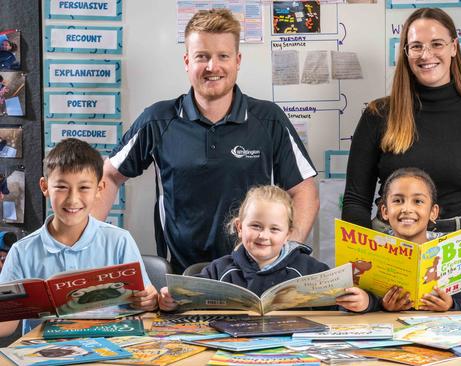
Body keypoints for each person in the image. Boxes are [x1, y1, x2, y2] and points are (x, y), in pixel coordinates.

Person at [92, 9, 319, 274]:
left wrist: (287, 252)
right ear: (187, 61)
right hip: (179, 278)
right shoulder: (158, 120)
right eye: (202, 57)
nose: (213, 67)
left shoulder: (269, 120)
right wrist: (87, 243)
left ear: (237, 60)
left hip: (254, 275)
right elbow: (108, 176)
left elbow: (305, 190)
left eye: (223, 56)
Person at [342, 7, 461, 243]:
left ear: (453, 47)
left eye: (437, 44)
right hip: (391, 242)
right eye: (417, 46)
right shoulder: (377, 115)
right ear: (406, 53)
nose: (426, 54)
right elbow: (356, 200)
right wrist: (363, 249)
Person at [0, 138, 158, 337]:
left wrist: (149, 299)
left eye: (84, 188)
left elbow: (146, 299)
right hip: (45, 352)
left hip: (110, 348)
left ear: (99, 189)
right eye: (61, 187)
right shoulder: (21, 251)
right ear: (45, 187)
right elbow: (6, 323)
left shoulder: (120, 241)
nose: (73, 199)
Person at [158, 185, 380, 313]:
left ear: (288, 234)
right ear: (239, 227)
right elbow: (185, 309)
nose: (264, 235)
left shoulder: (310, 269)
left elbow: (344, 306)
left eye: (274, 229)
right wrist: (170, 303)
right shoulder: (218, 271)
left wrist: (365, 302)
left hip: (296, 354)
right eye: (255, 226)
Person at [376, 168, 461, 312]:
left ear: (433, 212)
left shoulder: (456, 254)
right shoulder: (373, 250)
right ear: (384, 211)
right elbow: (349, 305)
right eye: (398, 200)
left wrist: (451, 305)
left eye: (418, 201)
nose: (407, 208)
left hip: (443, 330)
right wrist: (382, 306)